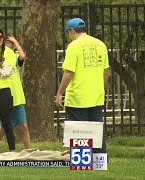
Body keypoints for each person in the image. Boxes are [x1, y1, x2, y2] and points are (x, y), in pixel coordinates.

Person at [55, 18, 110, 153]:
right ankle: (99, 160)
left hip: (78, 97)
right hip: (96, 95)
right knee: (96, 130)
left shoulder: (74, 46)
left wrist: (60, 93)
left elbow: (69, 72)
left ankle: (82, 161)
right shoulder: (100, 45)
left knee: (78, 130)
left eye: (68, 32)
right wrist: (101, 87)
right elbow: (106, 71)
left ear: (72, 30)